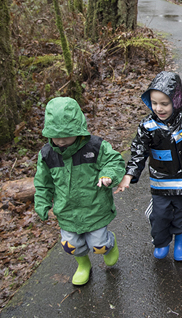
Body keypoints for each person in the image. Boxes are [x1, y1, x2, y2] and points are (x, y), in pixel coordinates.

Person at [116, 72, 182, 262]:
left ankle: (180, 243)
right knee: (160, 216)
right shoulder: (147, 126)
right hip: (161, 182)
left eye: (164, 103)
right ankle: (161, 242)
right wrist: (130, 173)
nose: (159, 108)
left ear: (176, 101)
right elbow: (138, 150)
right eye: (154, 103)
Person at [34, 97, 125, 286]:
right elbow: (43, 182)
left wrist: (108, 174)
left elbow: (114, 161)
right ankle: (83, 265)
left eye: (66, 134)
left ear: (78, 129)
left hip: (95, 207)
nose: (60, 140)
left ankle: (109, 244)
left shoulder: (95, 146)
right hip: (67, 211)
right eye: (54, 135)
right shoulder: (47, 155)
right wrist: (42, 202)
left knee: (98, 245)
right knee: (71, 245)